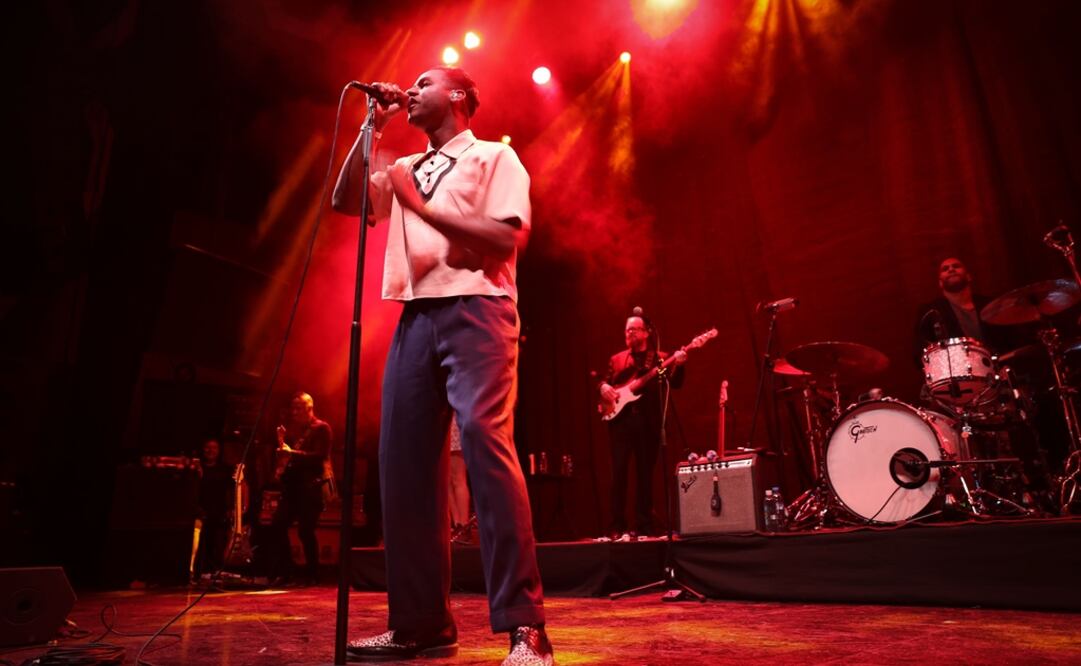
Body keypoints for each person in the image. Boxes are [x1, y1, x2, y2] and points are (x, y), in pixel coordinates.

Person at [332, 66, 552, 665]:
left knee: (483, 440)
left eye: (424, 81)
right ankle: (420, 624)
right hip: (414, 316)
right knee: (402, 463)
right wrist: (372, 129)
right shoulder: (406, 165)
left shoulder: (493, 157)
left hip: (479, 308)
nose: (411, 89)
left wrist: (417, 205)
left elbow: (505, 239)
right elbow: (345, 199)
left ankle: (526, 627)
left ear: (457, 96)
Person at [598, 313, 686, 540]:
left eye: (634, 329)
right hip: (620, 423)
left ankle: (644, 523)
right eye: (627, 330)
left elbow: (675, 383)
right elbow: (605, 381)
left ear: (647, 333)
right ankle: (617, 525)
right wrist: (603, 386)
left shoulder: (659, 358)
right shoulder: (617, 359)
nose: (629, 333)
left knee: (645, 475)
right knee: (619, 474)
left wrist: (679, 365)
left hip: (647, 423)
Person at [268, 392, 332, 586]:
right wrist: (281, 444)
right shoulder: (293, 430)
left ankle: (312, 573)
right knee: (278, 525)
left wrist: (292, 453)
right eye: (293, 408)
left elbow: (319, 456)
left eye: (298, 408)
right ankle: (286, 571)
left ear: (309, 408)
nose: (294, 412)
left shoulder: (321, 428)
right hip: (292, 488)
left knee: (305, 531)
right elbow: (289, 457)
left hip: (310, 488)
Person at [913, 257, 1010, 358]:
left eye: (956, 266)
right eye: (945, 269)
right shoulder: (930, 312)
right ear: (940, 283)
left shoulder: (990, 304)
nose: (951, 269)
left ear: (968, 277)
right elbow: (919, 352)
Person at [194, 438, 234, 578]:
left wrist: (232, 508)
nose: (210, 450)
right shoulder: (197, 468)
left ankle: (213, 571)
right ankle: (199, 572)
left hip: (219, 511)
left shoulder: (225, 469)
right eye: (207, 447)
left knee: (217, 543)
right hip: (200, 511)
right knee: (200, 543)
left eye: (214, 447)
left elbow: (233, 489)